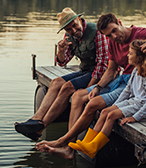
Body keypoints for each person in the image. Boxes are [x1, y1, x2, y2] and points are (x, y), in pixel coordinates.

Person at [36, 13, 146, 159]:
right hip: (119, 79)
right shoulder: (112, 42)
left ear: (120, 22)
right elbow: (111, 70)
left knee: (93, 104)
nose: (113, 37)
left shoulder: (141, 34)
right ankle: (69, 148)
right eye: (108, 35)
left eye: (114, 31)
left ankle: (63, 142)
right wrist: (97, 87)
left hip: (133, 82)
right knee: (78, 96)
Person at [14, 7, 110, 141]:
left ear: (79, 19)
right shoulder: (69, 36)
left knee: (67, 87)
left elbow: (103, 66)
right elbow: (62, 62)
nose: (73, 30)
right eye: (69, 29)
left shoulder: (97, 32)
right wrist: (61, 50)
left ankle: (41, 127)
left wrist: (89, 88)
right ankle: (35, 119)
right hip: (84, 70)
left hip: (99, 74)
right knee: (56, 82)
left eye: (74, 26)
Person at [69, 39, 146, 158]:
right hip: (134, 101)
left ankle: (94, 147)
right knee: (105, 112)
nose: (128, 55)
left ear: (139, 58)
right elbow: (127, 90)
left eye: (130, 53)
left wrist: (135, 117)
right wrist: (115, 105)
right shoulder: (135, 71)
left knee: (111, 115)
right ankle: (87, 143)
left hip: (145, 107)